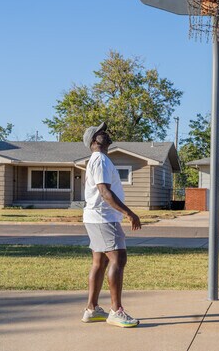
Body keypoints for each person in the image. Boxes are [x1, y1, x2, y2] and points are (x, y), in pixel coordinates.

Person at [80, 122, 142, 328]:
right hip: (104, 217)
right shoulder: (100, 160)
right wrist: (129, 213)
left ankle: (92, 309)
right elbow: (105, 192)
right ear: (93, 140)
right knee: (118, 258)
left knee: (100, 262)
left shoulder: (100, 160)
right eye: (101, 132)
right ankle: (116, 311)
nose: (105, 133)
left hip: (96, 216)